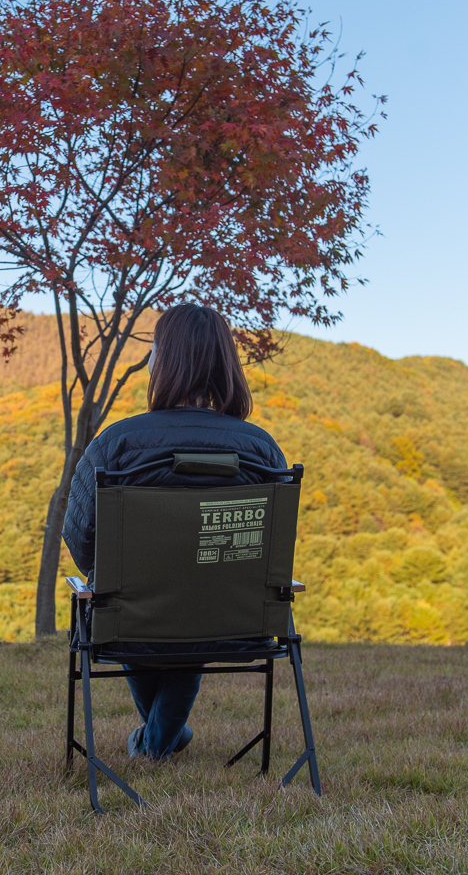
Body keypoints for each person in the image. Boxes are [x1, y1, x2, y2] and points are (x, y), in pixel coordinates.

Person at [62, 303, 288, 761]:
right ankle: (164, 737)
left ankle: (154, 744)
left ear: (162, 363)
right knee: (193, 608)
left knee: (130, 598)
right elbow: (271, 548)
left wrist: (137, 581)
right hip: (235, 621)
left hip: (133, 620)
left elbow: (79, 535)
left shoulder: (118, 443)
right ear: (227, 363)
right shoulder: (261, 448)